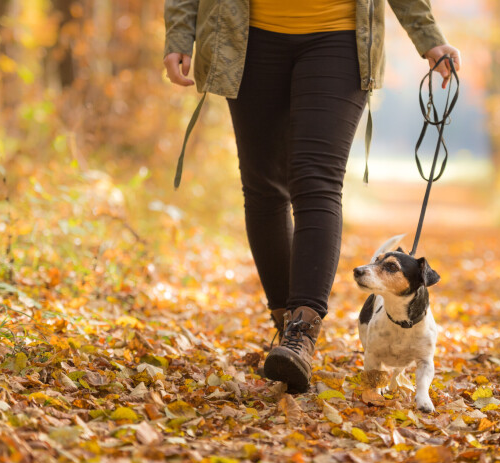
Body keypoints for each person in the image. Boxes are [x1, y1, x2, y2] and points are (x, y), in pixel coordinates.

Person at [163, 0, 461, 393]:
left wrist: (429, 38)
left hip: (338, 35)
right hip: (245, 35)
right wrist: (181, 33)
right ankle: (286, 324)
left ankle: (302, 332)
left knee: (316, 179)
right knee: (264, 186)